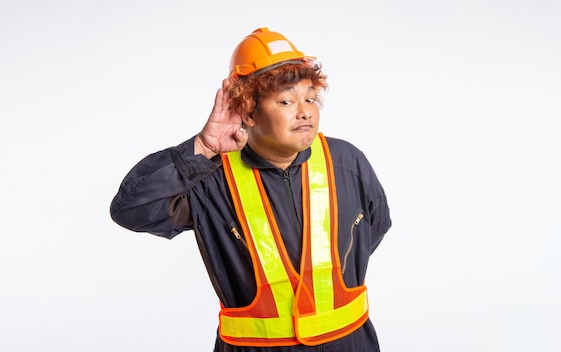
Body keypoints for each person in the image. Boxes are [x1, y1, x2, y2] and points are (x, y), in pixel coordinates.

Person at [110, 27, 392, 352]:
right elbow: (130, 210)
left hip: (350, 344)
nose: (305, 111)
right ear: (248, 111)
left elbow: (376, 225)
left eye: (310, 98)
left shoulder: (346, 161)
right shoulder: (209, 178)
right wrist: (201, 149)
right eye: (286, 100)